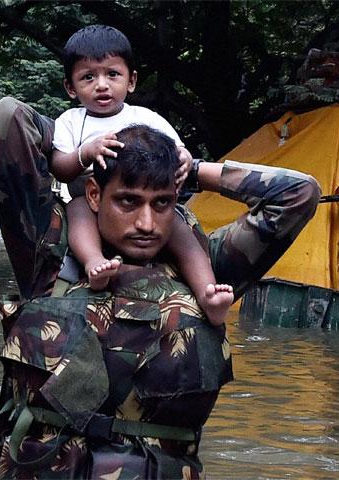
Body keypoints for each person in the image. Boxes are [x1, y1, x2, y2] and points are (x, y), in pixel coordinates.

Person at [0, 99, 320, 478]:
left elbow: (298, 193)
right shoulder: (49, 249)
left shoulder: (207, 268)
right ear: (94, 195)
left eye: (162, 204)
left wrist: (190, 171)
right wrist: (78, 144)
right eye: (128, 201)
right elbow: (9, 118)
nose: (146, 222)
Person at [51, 25, 232, 324]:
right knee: (78, 208)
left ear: (131, 80)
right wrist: (85, 152)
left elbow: (179, 152)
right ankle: (94, 262)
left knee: (180, 229)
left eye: (112, 74)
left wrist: (185, 160)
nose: (101, 85)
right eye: (88, 77)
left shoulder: (145, 117)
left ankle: (208, 293)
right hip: (89, 200)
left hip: (146, 195)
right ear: (71, 88)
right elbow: (59, 167)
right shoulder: (70, 121)